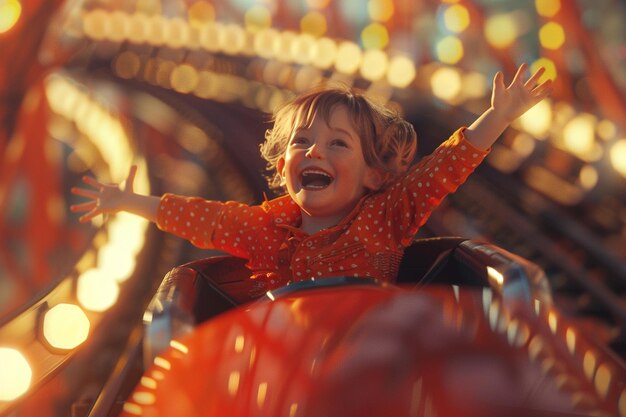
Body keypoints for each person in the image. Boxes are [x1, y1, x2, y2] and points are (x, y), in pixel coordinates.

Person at [71, 63, 552, 294]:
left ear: (372, 174)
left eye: (337, 143)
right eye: (302, 143)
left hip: (375, 345)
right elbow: (206, 219)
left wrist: (498, 116)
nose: (315, 151)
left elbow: (444, 170)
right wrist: (129, 201)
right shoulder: (266, 232)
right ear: (283, 169)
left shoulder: (387, 216)